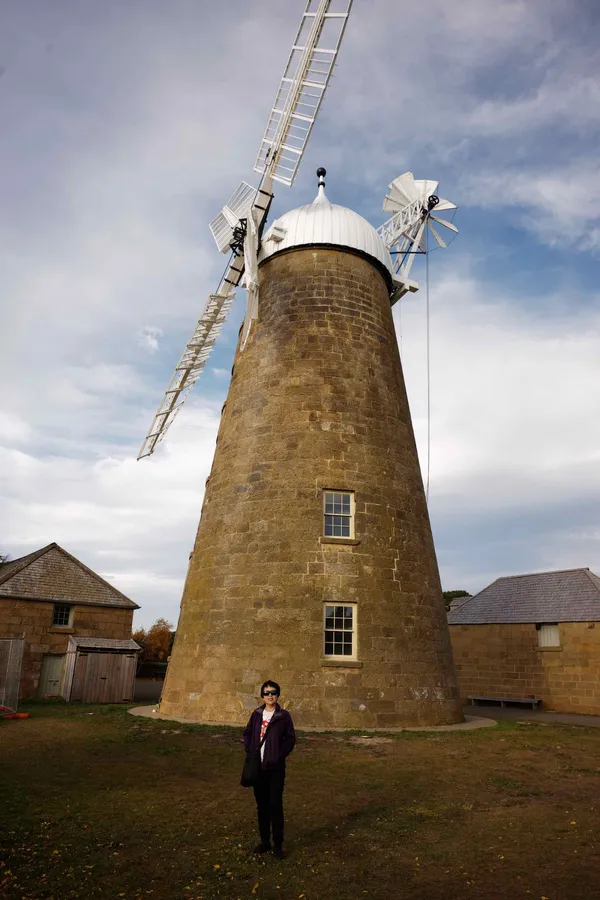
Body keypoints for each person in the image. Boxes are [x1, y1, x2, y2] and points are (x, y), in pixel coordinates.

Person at [243, 680, 296, 859]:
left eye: (273, 692)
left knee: (275, 805)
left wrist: (279, 754)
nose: (270, 695)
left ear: (278, 695)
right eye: (266, 693)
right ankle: (265, 841)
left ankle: (278, 844)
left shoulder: (283, 716)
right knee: (262, 806)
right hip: (258, 767)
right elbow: (248, 733)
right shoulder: (256, 714)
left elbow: (290, 738)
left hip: (275, 769)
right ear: (262, 696)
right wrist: (250, 749)